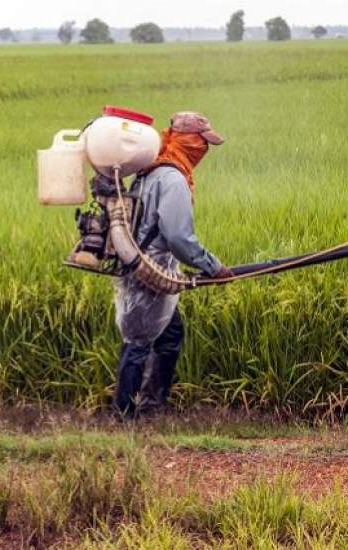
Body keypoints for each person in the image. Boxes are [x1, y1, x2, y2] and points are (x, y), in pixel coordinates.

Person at [114, 111, 232, 418]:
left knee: (169, 335)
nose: (204, 150)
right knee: (139, 341)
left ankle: (152, 406)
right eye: (202, 143)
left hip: (143, 265)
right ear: (189, 141)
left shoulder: (151, 171)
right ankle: (124, 416)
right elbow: (178, 237)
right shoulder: (173, 178)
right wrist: (213, 266)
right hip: (150, 272)